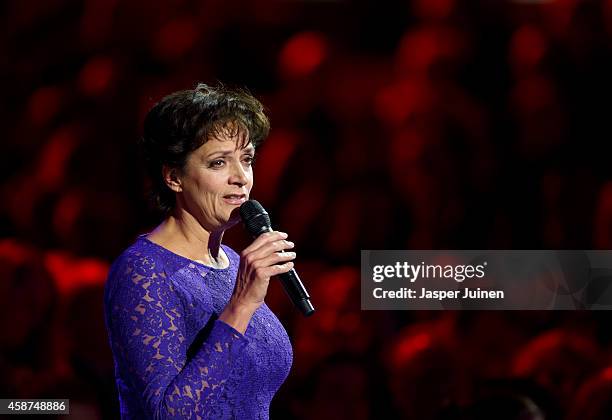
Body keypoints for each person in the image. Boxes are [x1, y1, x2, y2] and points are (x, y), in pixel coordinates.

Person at [103, 83, 296, 419]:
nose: (240, 177)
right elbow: (167, 414)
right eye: (219, 162)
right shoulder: (143, 271)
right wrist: (240, 305)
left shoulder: (235, 265)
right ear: (174, 176)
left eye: (246, 159)